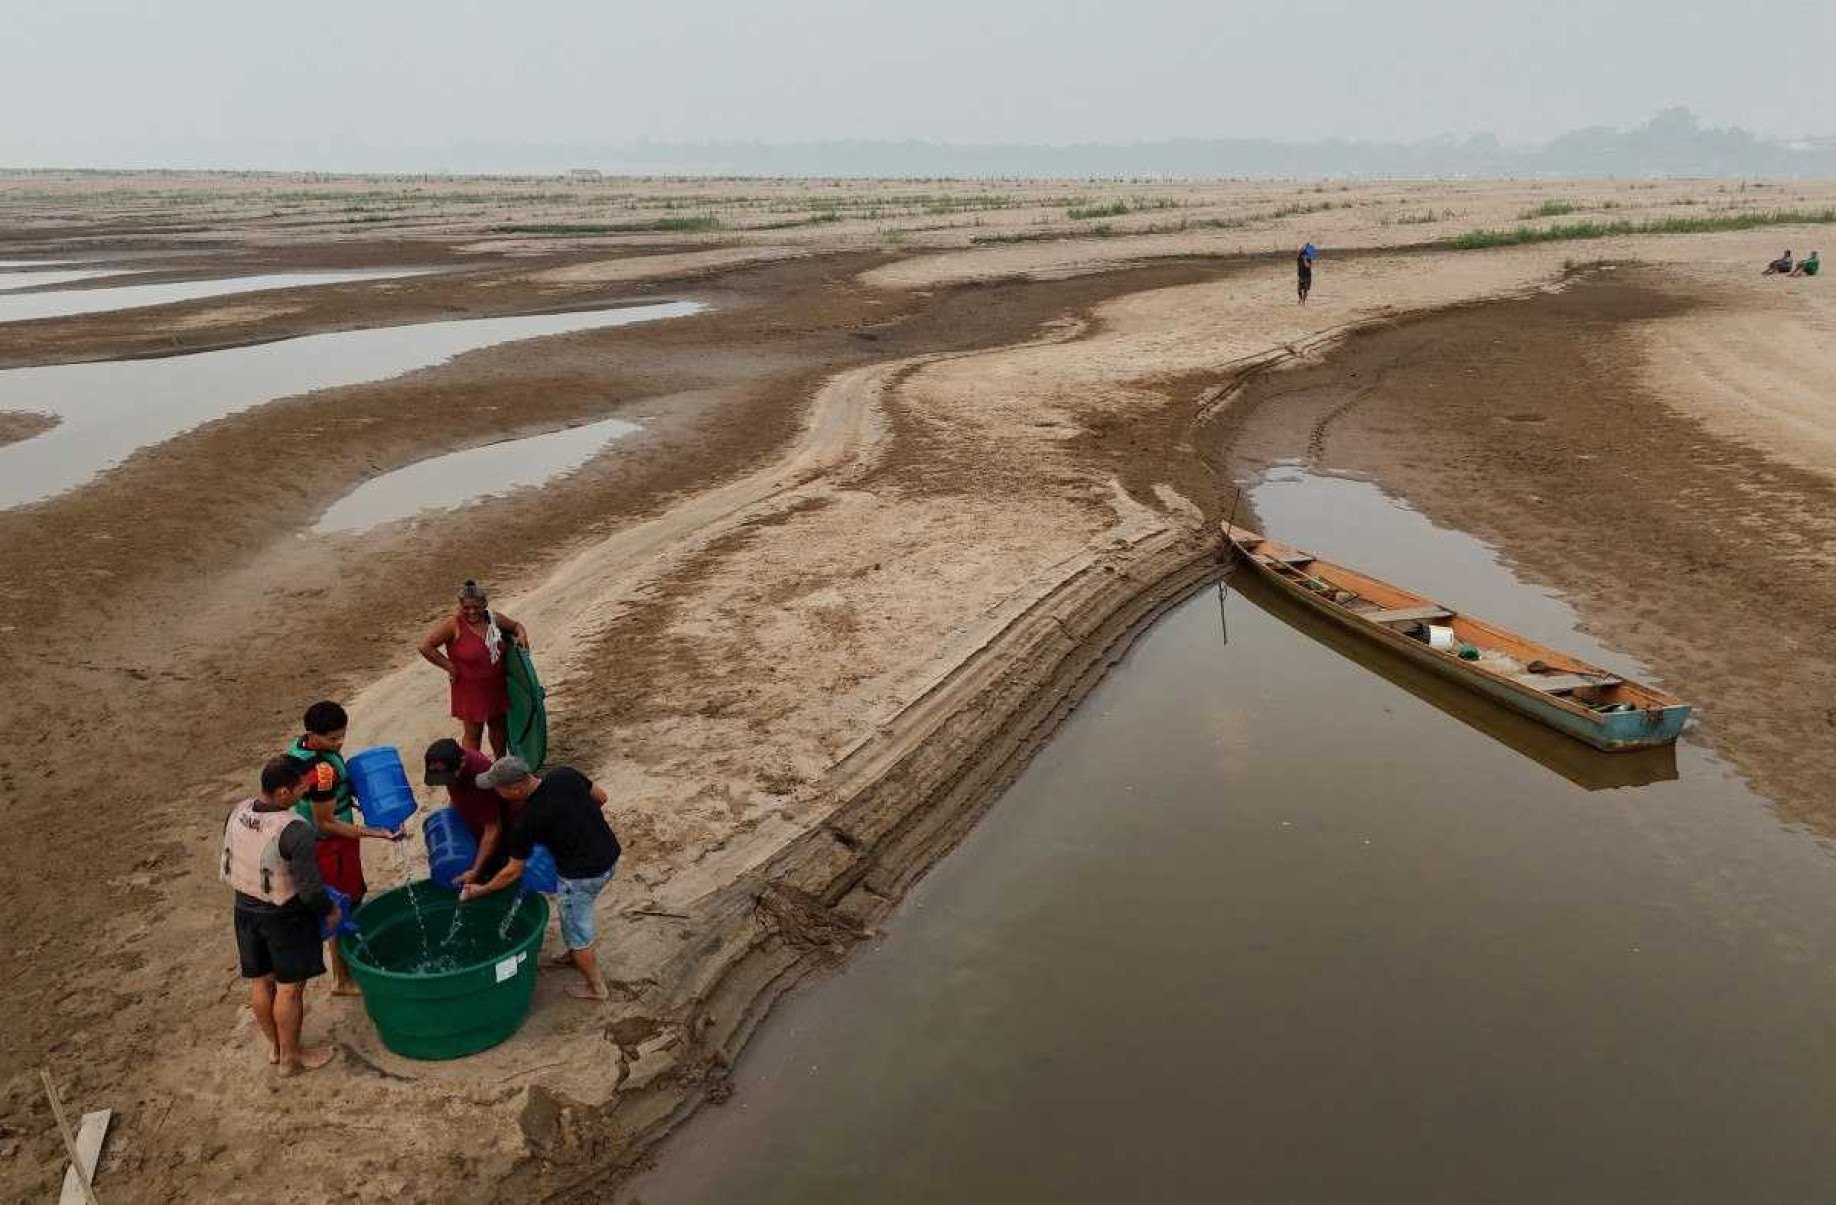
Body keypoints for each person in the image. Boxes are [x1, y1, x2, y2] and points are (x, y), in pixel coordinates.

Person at [460, 756, 621, 1002]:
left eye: (498, 788)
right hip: (610, 856)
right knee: (575, 917)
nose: (496, 793)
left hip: (582, 877)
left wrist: (481, 890)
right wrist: (577, 823)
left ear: (515, 788)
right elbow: (601, 797)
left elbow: (512, 871)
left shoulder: (528, 821)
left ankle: (596, 988)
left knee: (579, 932)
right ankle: (573, 952)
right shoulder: (564, 774)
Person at [223, 757, 340, 1074]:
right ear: (285, 792)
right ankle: (292, 1057)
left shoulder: (238, 810)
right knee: (290, 987)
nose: (307, 790)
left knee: (261, 981)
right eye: (302, 786)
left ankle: (276, 1048)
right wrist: (329, 911)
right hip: (284, 916)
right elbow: (310, 890)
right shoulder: (295, 830)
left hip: (244, 908)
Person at [286, 700, 404, 996]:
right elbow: (326, 822)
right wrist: (378, 832)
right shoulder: (321, 770)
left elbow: (341, 791)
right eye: (331, 738)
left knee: (352, 897)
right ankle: (343, 979)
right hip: (330, 845)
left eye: (342, 735)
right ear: (311, 734)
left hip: (332, 841)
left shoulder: (301, 749)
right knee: (341, 904)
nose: (339, 743)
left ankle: (347, 966)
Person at [419, 580, 530, 758]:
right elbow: (426, 646)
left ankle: (500, 762)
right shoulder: (453, 625)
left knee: (498, 727)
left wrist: (522, 635)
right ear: (460, 606)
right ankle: (472, 768)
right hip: (468, 687)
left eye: (476, 607)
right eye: (466, 608)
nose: (471, 612)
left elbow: (516, 626)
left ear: (484, 604)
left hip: (496, 684)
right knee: (473, 733)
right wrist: (450, 666)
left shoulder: (493, 619)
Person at [423, 736, 522, 885]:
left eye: (447, 777)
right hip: (478, 823)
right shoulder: (452, 766)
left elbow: (493, 830)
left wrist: (476, 871)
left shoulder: (481, 777)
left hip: (506, 830)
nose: (444, 781)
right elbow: (456, 796)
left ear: (462, 763)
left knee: (492, 876)